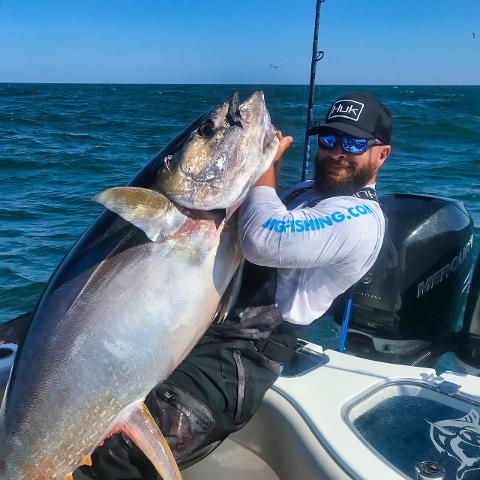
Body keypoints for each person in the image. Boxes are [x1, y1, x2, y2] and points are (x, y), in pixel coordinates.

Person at [74, 91, 392, 479]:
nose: (337, 151)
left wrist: (263, 167)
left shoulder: (360, 220)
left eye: (354, 143)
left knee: (118, 460)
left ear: (381, 155)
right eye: (329, 140)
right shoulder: (304, 193)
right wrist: (241, 159)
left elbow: (262, 238)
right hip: (205, 331)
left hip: (239, 361)